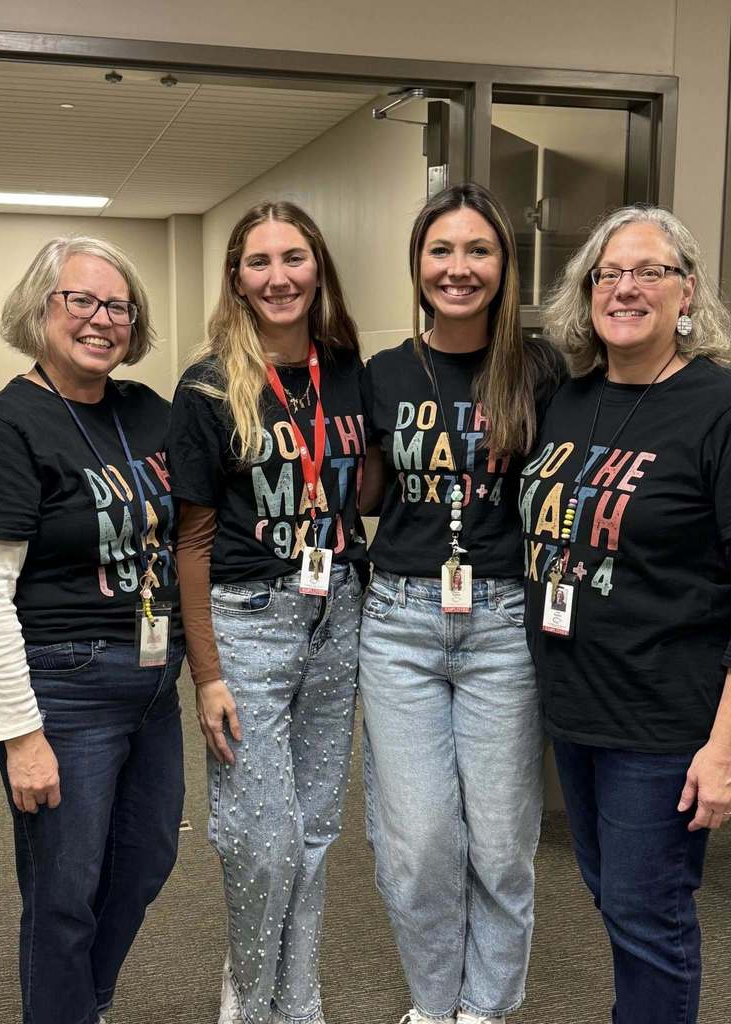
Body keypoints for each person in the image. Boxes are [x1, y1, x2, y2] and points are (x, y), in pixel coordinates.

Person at [0, 236, 184, 1024]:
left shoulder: (146, 411)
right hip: (62, 689)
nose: (100, 319)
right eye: (79, 301)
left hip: (154, 685)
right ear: (40, 309)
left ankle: (82, 1001)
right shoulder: (3, 428)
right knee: (63, 892)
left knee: (146, 860)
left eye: (117, 305)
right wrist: (21, 735)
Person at [358, 183, 564, 1024]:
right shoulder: (385, 371)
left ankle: (486, 1009)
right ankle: (434, 1005)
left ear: (505, 266)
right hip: (400, 620)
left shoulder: (543, 370)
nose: (459, 268)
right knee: (418, 846)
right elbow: (364, 487)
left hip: (505, 622)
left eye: (478, 250)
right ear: (417, 265)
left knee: (504, 844)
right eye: (441, 251)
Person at [522, 205, 731, 1024]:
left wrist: (723, 745)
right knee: (617, 900)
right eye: (610, 273)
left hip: (665, 718)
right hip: (577, 710)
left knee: (651, 920)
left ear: (687, 294)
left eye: (651, 272)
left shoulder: (717, 406)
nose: (627, 288)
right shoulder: (570, 401)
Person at [168, 200, 366, 1024]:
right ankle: (251, 1006)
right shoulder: (209, 385)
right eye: (259, 262)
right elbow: (192, 545)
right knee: (259, 841)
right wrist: (207, 675)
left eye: (293, 258)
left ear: (318, 266)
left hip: (340, 616)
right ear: (237, 280)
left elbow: (368, 483)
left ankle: (299, 1001)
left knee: (316, 834)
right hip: (247, 622)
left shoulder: (352, 369)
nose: (279, 276)